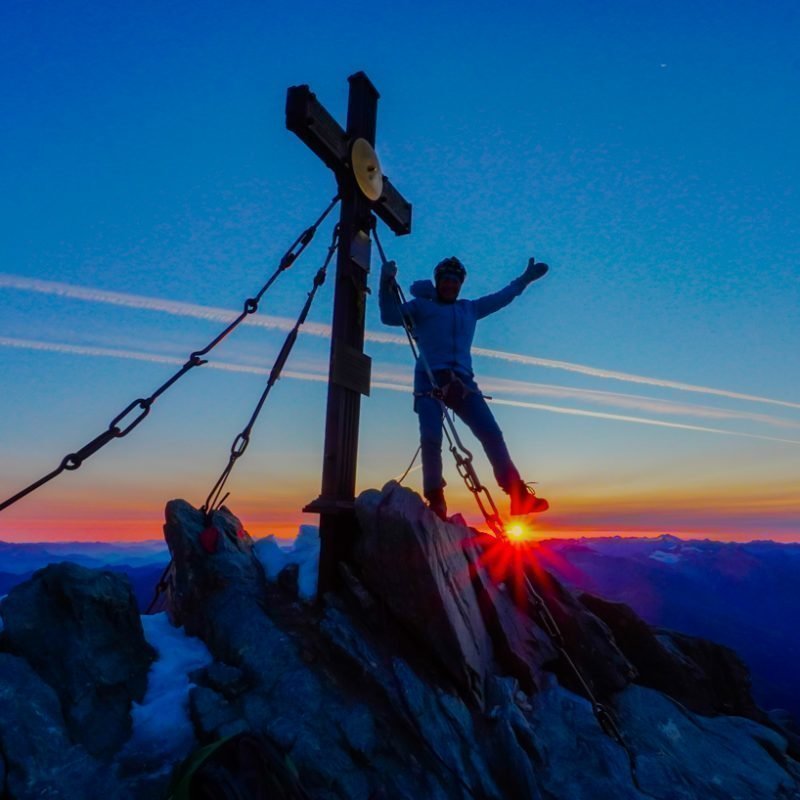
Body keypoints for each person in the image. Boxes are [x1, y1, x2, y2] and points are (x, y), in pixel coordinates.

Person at [379, 254, 550, 521]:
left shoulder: (469, 309)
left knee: (492, 434)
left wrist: (525, 280)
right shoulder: (422, 307)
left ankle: (517, 495)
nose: (450, 285)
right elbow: (389, 316)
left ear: (460, 284)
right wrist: (384, 282)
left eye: (455, 281)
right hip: (430, 380)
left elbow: (503, 297)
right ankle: (436, 499)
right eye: (445, 280)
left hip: (463, 383)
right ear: (438, 282)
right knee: (431, 439)